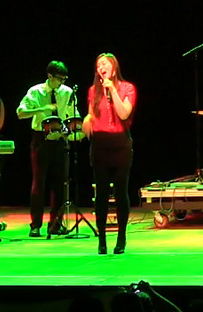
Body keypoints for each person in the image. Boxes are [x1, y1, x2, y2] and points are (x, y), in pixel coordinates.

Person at [17, 61, 78, 237]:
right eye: (59, 79)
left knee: (60, 184)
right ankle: (35, 225)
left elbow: (73, 113)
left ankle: (56, 224)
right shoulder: (35, 91)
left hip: (59, 140)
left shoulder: (67, 92)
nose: (62, 83)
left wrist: (75, 128)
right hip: (41, 139)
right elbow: (20, 113)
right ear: (50, 76)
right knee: (39, 182)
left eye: (64, 79)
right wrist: (41, 108)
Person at [82, 53, 135, 255]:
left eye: (104, 64)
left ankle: (121, 238)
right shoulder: (93, 91)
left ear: (113, 67)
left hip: (120, 143)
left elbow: (124, 113)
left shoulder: (127, 88)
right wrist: (87, 119)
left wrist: (112, 90)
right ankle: (102, 240)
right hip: (100, 145)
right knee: (102, 193)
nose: (101, 67)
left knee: (121, 192)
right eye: (98, 65)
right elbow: (91, 114)